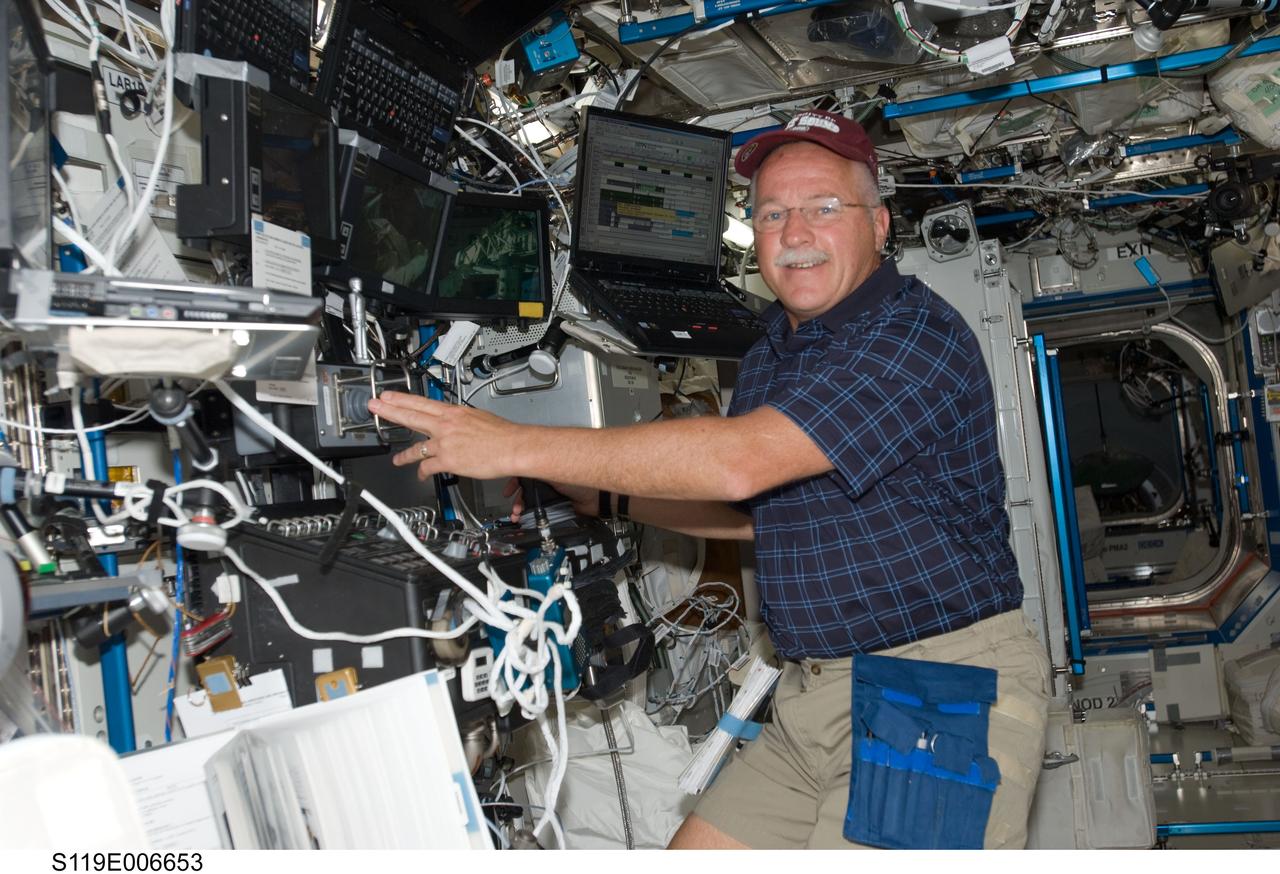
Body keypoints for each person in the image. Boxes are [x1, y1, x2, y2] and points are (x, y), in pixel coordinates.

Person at [367, 110, 1051, 849]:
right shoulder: (773, 355)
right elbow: (758, 512)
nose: (794, 232)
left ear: (880, 225)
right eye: (772, 214)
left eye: (824, 208)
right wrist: (614, 497)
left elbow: (739, 460)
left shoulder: (913, 335)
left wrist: (517, 445)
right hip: (814, 696)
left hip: (936, 690)